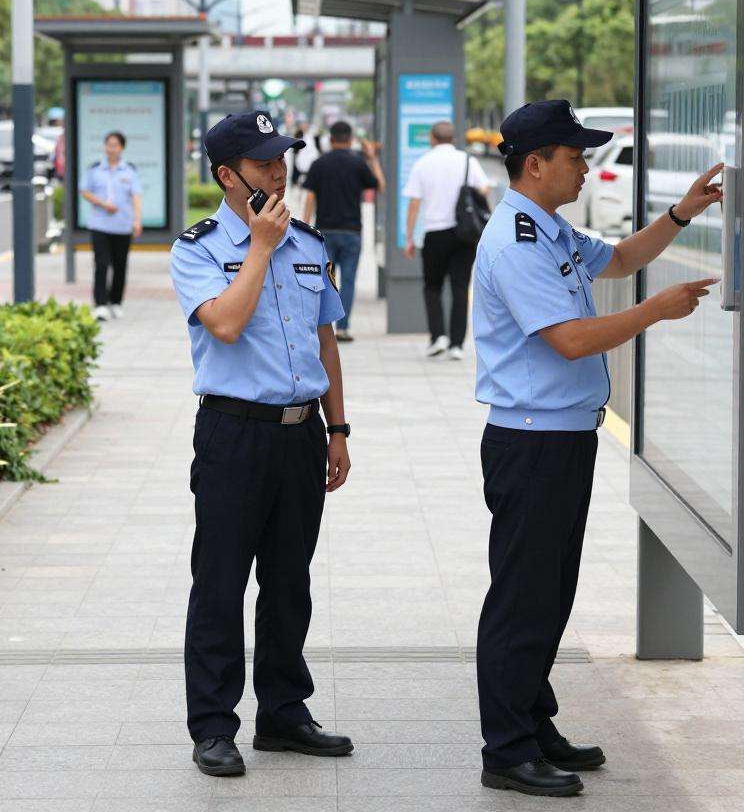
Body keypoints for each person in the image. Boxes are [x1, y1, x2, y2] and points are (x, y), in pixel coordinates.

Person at [472, 99, 722, 798]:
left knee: (549, 594)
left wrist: (681, 215)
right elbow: (569, 339)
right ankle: (508, 749)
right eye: (576, 157)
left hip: (561, 439)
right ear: (536, 163)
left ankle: (533, 720)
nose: (585, 168)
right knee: (523, 598)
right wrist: (654, 311)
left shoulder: (549, 230)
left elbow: (617, 258)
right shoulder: (516, 242)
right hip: (530, 444)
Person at [170, 110, 355, 778]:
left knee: (289, 581)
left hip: (300, 432)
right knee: (220, 581)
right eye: (262, 164)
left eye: (282, 160)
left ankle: (284, 712)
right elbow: (224, 323)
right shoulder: (196, 248)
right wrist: (260, 249)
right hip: (232, 434)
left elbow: (325, 338)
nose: (278, 172)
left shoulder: (308, 244)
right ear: (227, 175)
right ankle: (214, 726)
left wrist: (337, 428)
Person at [403, 121, 491, 359]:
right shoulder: (467, 161)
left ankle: (437, 337)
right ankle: (457, 345)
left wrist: (410, 237)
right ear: (453, 138)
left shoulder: (422, 163)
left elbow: (414, 204)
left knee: (433, 287)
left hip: (435, 233)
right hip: (464, 234)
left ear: (432, 138)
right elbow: (484, 189)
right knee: (460, 287)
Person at [302, 120, 385, 342]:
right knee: (348, 280)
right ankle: (343, 328)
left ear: (330, 139)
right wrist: (372, 157)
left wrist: (304, 227)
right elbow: (380, 185)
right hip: (351, 231)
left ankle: (322, 327)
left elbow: (310, 196)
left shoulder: (319, 163)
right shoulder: (358, 163)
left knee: (324, 281)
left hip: (325, 230)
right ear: (350, 139)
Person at [79, 131, 142, 321]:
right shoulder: (95, 169)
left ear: (122, 148)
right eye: (108, 144)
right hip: (100, 225)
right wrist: (103, 204)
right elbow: (85, 191)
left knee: (120, 265)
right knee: (101, 263)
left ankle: (115, 302)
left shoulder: (129, 171)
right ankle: (99, 304)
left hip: (122, 225)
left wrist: (137, 220)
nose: (111, 148)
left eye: (115, 145)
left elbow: (136, 197)